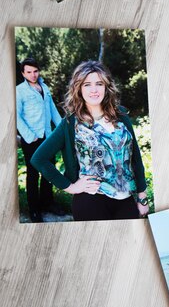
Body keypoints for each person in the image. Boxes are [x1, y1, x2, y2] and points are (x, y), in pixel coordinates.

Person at [31, 60, 149, 221]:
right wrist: (70, 187)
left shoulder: (121, 115)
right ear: (78, 88)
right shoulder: (70, 122)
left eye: (99, 84)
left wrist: (142, 196)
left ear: (106, 87)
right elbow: (39, 159)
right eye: (87, 84)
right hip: (90, 201)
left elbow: (136, 157)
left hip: (126, 200)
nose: (94, 90)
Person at [16, 57, 63, 223]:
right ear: (23, 73)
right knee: (33, 174)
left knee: (49, 172)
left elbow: (53, 110)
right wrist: (30, 136)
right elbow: (17, 117)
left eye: (35, 71)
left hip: (48, 137)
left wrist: (62, 129)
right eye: (29, 72)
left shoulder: (44, 87)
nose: (33, 75)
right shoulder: (19, 91)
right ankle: (34, 210)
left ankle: (48, 203)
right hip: (32, 139)